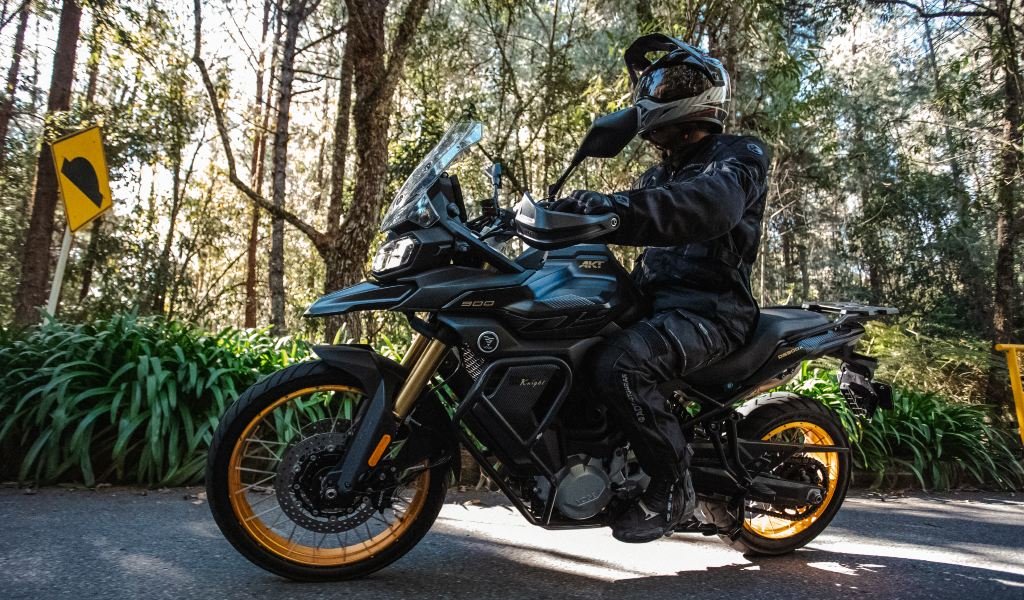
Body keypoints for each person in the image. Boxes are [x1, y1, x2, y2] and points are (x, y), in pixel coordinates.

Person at [553, 33, 770, 543]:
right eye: (652, 86)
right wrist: (555, 213)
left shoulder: (739, 156)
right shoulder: (658, 175)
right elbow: (632, 209)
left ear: (704, 94)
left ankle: (674, 487)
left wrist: (613, 209)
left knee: (620, 364)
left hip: (711, 311)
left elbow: (707, 204)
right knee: (569, 336)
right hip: (653, 303)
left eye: (669, 85)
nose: (654, 95)